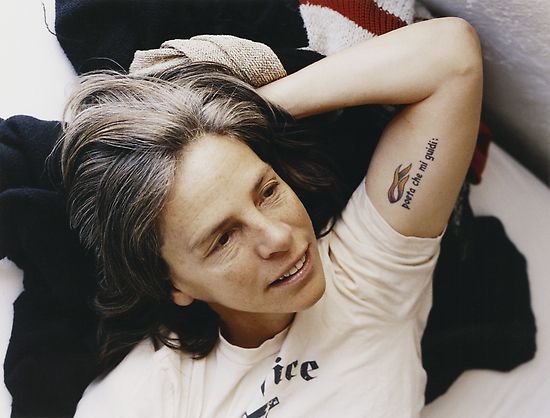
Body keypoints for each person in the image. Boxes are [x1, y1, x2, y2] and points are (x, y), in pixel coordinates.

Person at [55, 16, 482, 417]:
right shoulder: (152, 393)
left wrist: (237, 114)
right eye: (223, 239)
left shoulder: (367, 277)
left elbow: (451, 59)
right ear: (174, 283)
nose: (277, 237)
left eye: (268, 191)